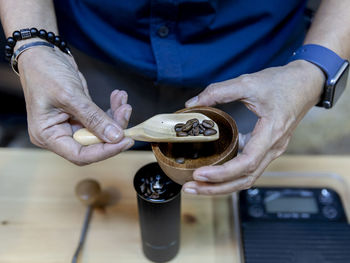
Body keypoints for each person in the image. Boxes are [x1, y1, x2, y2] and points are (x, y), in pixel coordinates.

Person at [0, 0, 349, 195]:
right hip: (95, 51)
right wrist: (34, 45)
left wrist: (313, 69)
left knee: (234, 177)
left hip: (254, 70)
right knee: (106, 170)